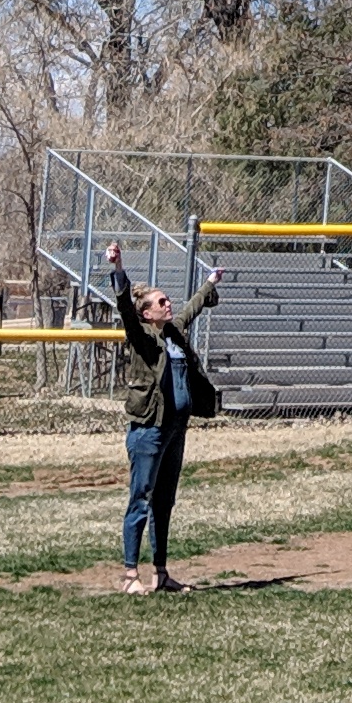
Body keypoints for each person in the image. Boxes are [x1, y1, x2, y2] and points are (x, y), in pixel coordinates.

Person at [104, 239, 222, 596]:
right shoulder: (142, 337)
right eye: (161, 302)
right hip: (149, 431)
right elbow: (124, 306)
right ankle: (129, 575)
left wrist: (211, 282)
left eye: (167, 300)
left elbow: (192, 307)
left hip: (175, 431)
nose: (168, 304)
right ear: (147, 313)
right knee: (141, 499)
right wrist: (118, 267)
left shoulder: (174, 331)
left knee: (164, 502)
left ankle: (161, 573)